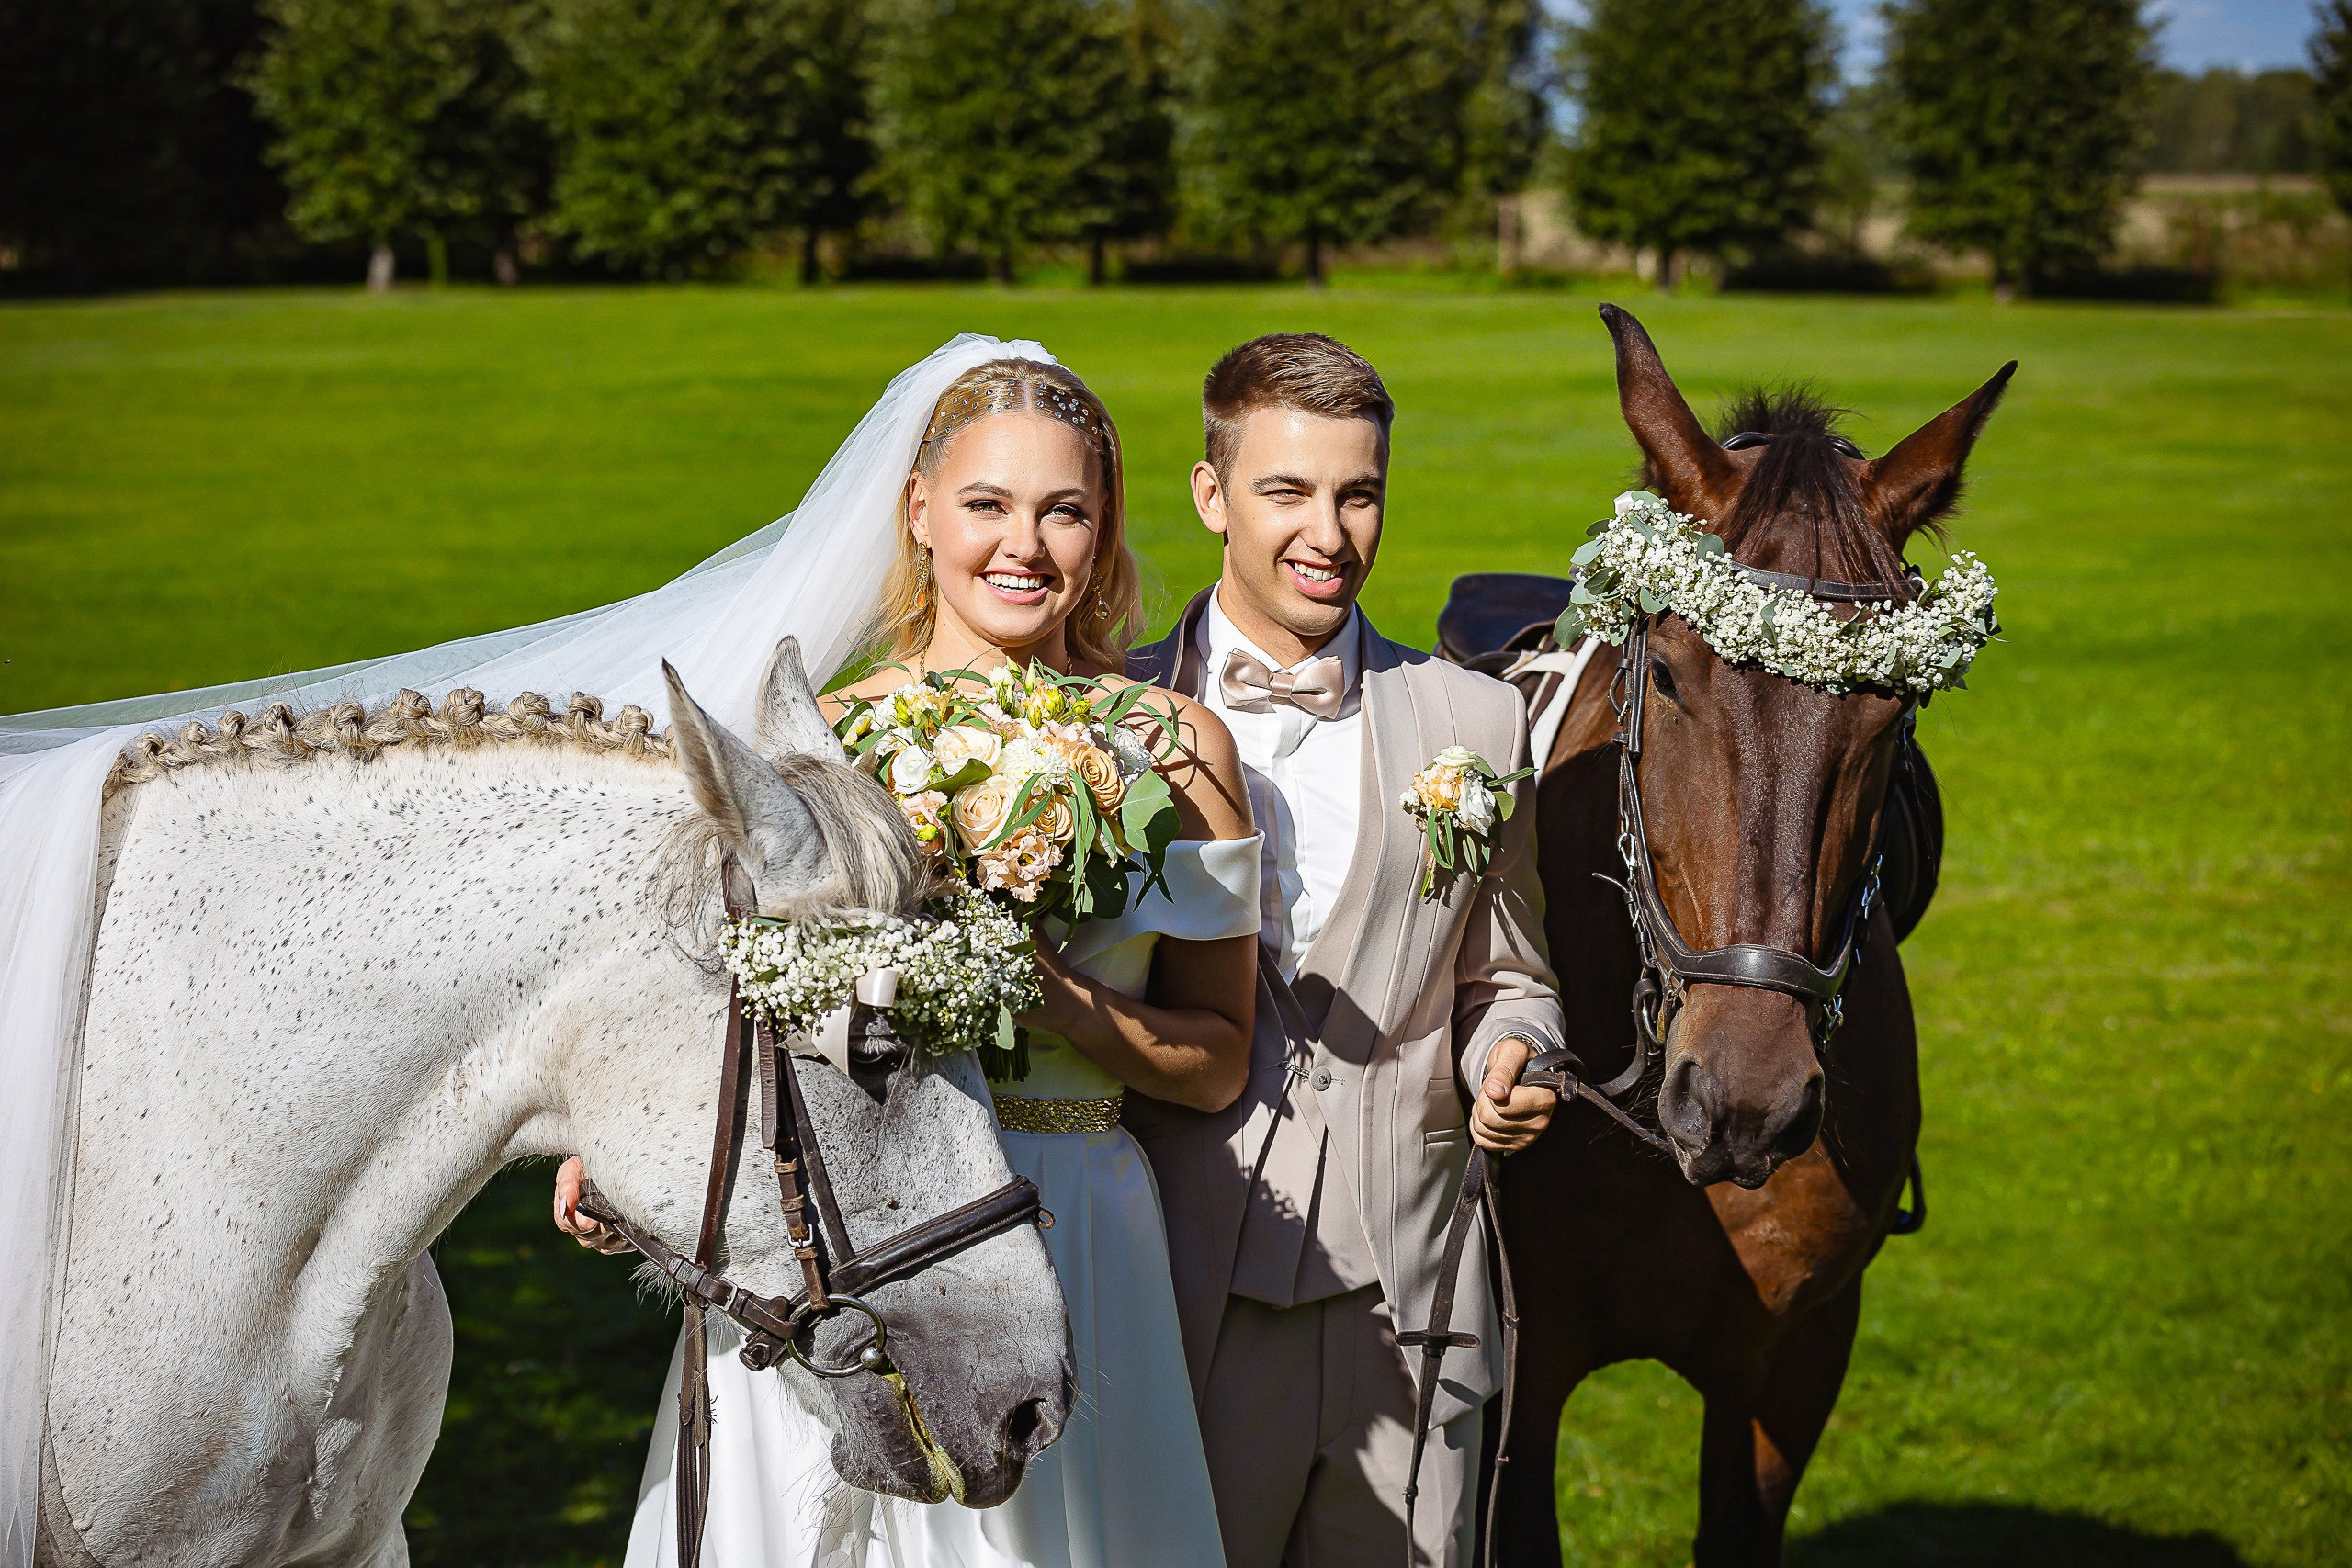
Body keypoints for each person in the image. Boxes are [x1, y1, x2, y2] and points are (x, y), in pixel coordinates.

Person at [555, 353, 1260, 1568]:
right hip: (840, 1221)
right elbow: (728, 1002)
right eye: (987, 504)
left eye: (1064, 510)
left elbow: (1216, 1066)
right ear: (921, 510)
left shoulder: (1176, 748)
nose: (1024, 545)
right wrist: (616, 1151)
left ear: (1103, 528)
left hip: (1073, 1215)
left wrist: (1058, 999)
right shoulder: (827, 742)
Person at [1123, 333, 1566, 1568]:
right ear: (1211, 494)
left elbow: (1513, 974)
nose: (1329, 533)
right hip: (1176, 1294)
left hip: (1417, 1298)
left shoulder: (1476, 722)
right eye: (1288, 492)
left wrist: (1516, 1052)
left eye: (1358, 494)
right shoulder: (1101, 720)